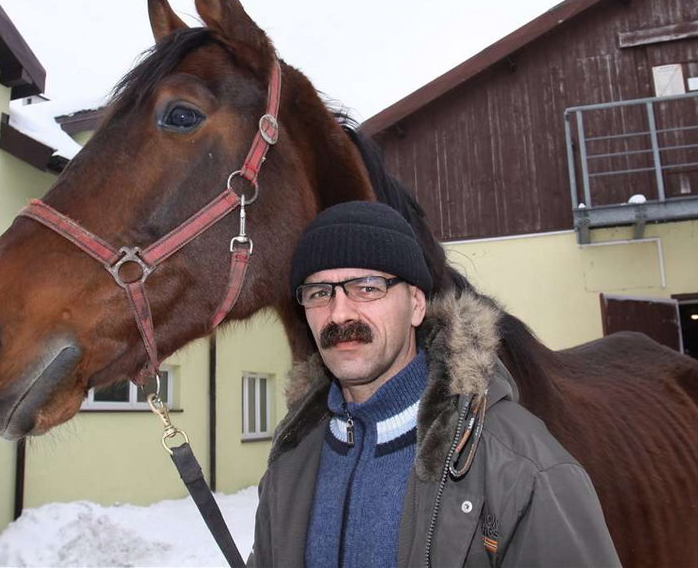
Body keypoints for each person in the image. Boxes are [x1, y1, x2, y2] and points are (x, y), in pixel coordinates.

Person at [249, 201, 620, 567]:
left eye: (367, 287)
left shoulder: (518, 464)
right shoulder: (293, 459)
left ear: (416, 304)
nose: (339, 312)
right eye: (319, 293)